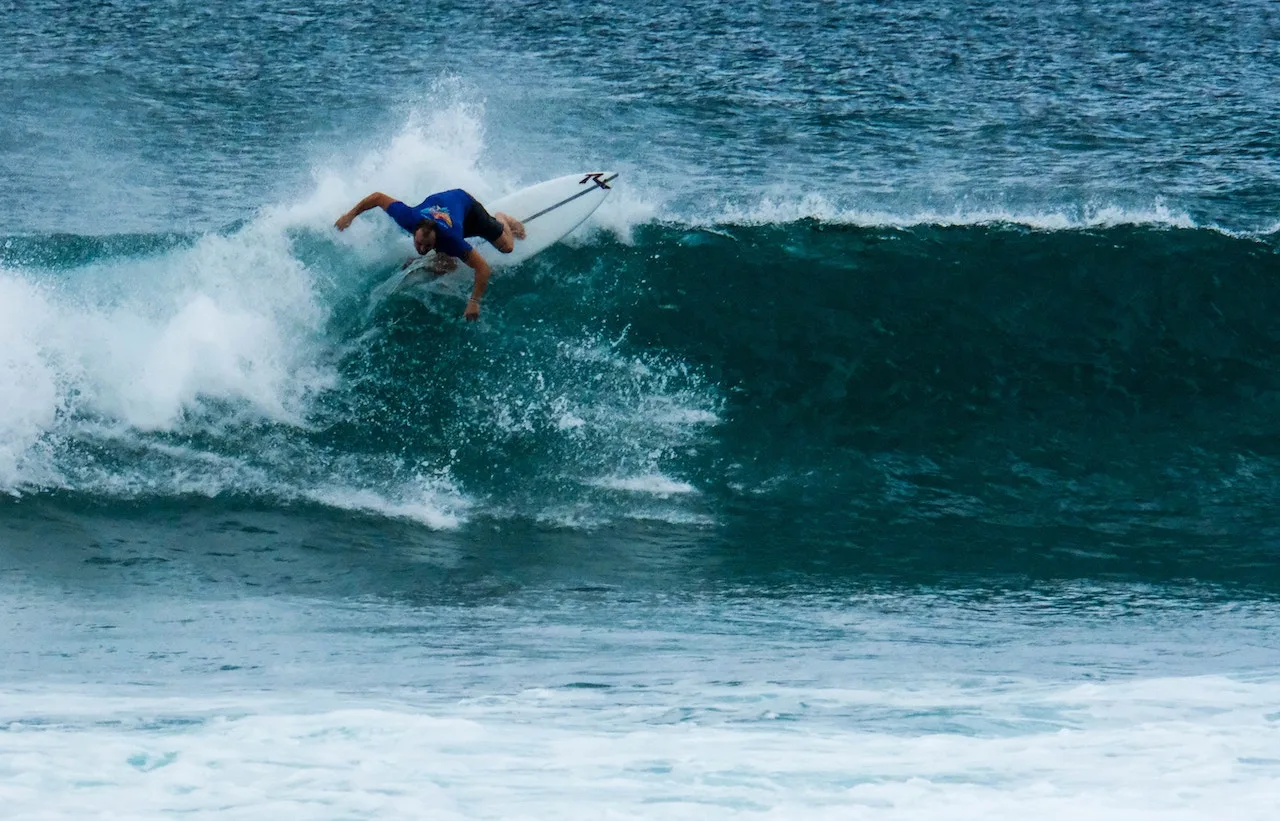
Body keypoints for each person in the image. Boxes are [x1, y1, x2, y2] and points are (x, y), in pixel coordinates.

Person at [335, 189, 526, 320]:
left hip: (466, 206)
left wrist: (474, 301)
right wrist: (349, 215)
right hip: (448, 210)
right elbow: (377, 197)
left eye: (427, 246)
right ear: (414, 231)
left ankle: (503, 218)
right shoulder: (408, 217)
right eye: (419, 244)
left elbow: (483, 268)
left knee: (507, 247)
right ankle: (433, 257)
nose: (422, 248)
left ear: (436, 239)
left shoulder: (450, 240)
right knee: (445, 265)